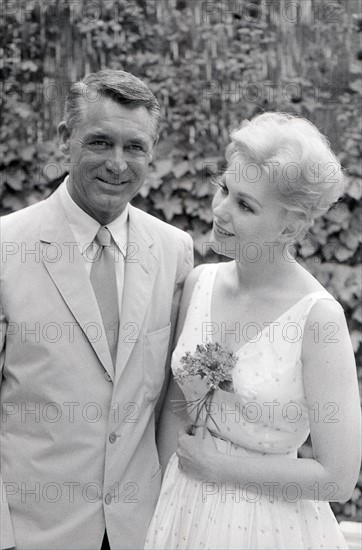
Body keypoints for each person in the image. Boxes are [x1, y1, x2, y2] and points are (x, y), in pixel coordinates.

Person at [145, 112, 361, 549]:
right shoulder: (199, 283)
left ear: (292, 225)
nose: (220, 210)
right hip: (182, 510)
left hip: (271, 526)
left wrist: (220, 468)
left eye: (245, 205)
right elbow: (177, 408)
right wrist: (162, 504)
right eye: (225, 189)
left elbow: (338, 478)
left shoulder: (318, 319)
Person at [0, 70, 193, 550]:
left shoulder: (175, 251)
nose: (118, 164)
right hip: (31, 532)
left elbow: (172, 400)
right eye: (100, 142)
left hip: (141, 530)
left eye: (135, 147)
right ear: (65, 139)